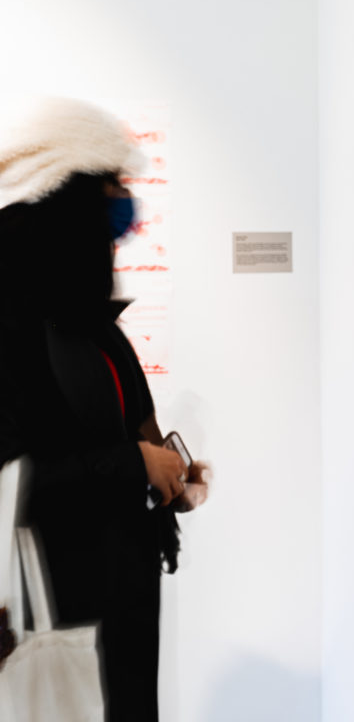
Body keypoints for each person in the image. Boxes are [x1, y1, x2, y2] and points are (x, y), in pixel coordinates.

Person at [0, 98, 207, 721]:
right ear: (73, 199)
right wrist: (132, 463)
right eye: (115, 187)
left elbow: (114, 427)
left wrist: (167, 475)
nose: (130, 210)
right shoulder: (17, 325)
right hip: (62, 610)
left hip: (116, 600)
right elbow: (16, 475)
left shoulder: (86, 320)